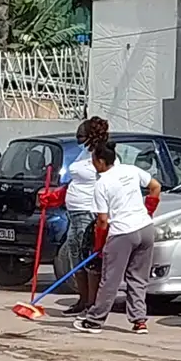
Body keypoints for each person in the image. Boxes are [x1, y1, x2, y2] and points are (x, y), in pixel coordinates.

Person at [75, 135, 161, 334]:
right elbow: (156, 187)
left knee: (110, 280)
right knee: (138, 278)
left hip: (122, 232)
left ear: (101, 161)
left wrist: (99, 246)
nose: (92, 164)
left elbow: (102, 220)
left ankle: (95, 320)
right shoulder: (131, 170)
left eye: (93, 161)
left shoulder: (102, 183)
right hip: (145, 229)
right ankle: (139, 321)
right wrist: (148, 210)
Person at [55, 117, 107, 313]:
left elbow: (107, 182)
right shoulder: (84, 153)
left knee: (87, 256)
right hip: (74, 212)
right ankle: (83, 299)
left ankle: (91, 302)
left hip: (88, 211)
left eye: (81, 135)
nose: (78, 139)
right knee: (74, 254)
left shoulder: (101, 155)